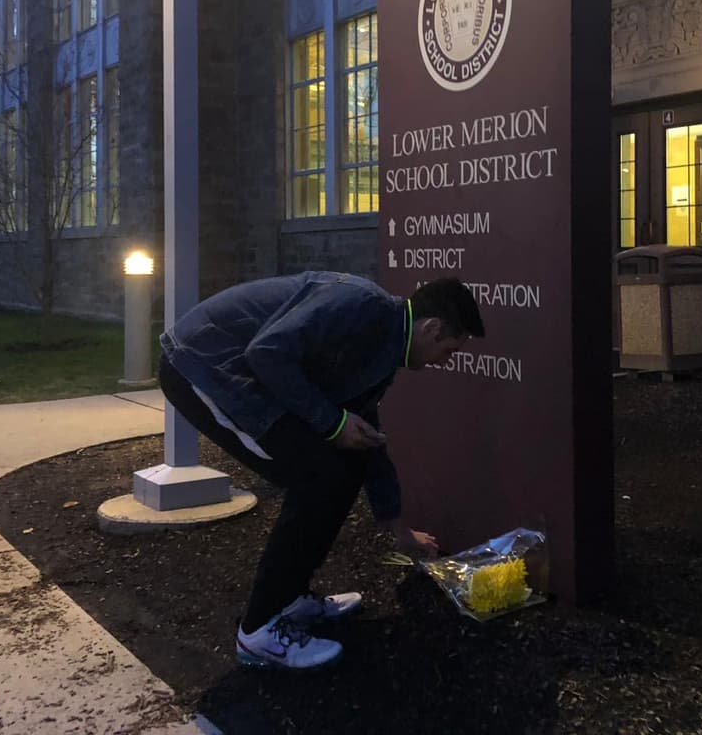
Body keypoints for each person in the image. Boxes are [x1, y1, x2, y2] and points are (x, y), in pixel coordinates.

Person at [158, 271, 485, 670]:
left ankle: (289, 599)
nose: (443, 363)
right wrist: (331, 422)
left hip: (244, 371)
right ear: (432, 328)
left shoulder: (385, 345)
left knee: (338, 468)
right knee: (316, 479)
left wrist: (400, 530)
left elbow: (366, 439)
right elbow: (266, 352)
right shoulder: (363, 306)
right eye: (449, 351)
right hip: (202, 364)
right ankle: (258, 631)